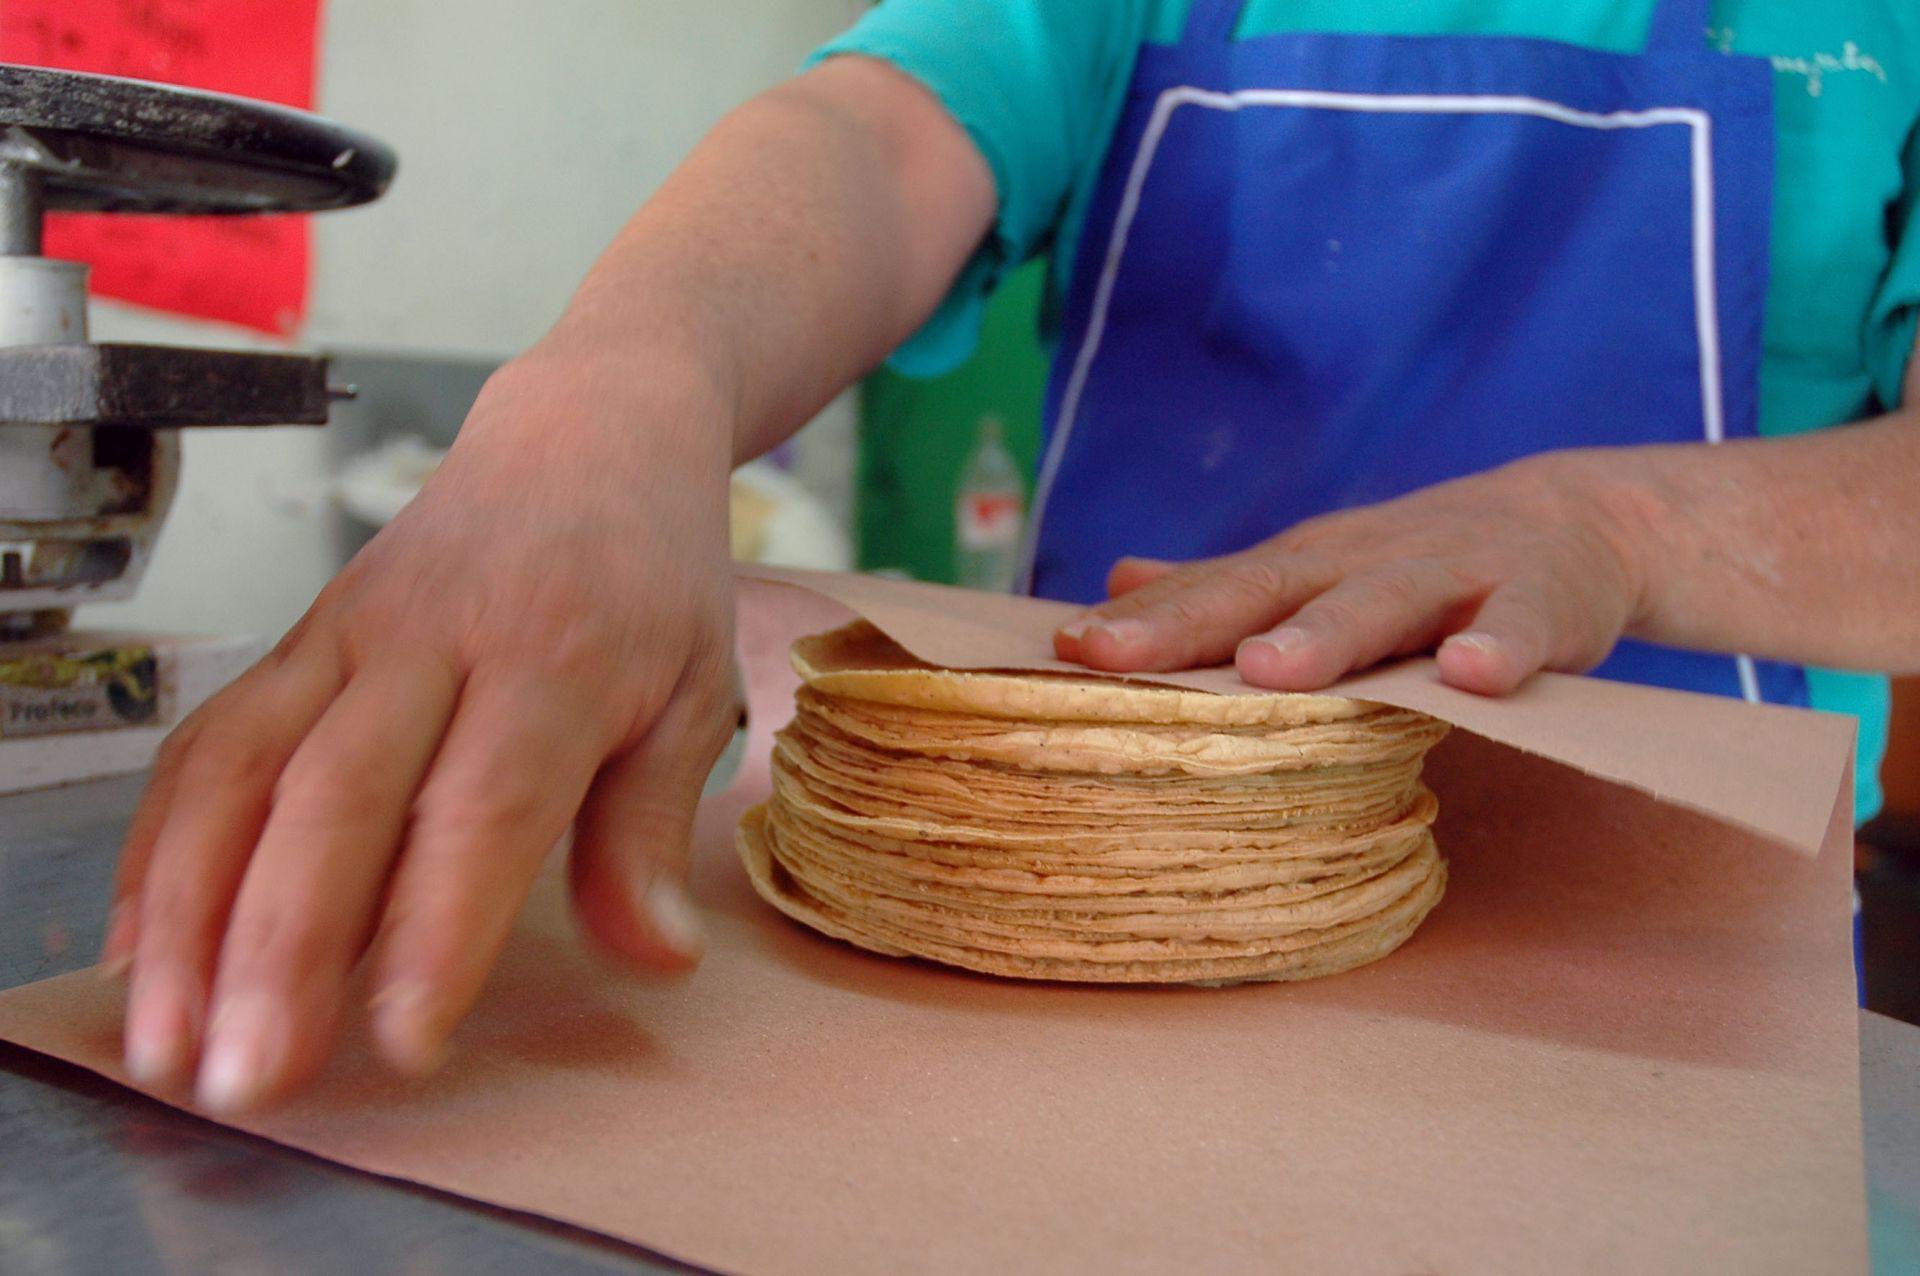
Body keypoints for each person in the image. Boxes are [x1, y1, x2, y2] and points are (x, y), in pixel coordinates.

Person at [104, 0, 1919, 1113]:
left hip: (1663, 993)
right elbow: (872, 139)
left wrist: (1612, 522)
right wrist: (623, 385)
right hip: (1050, 948)